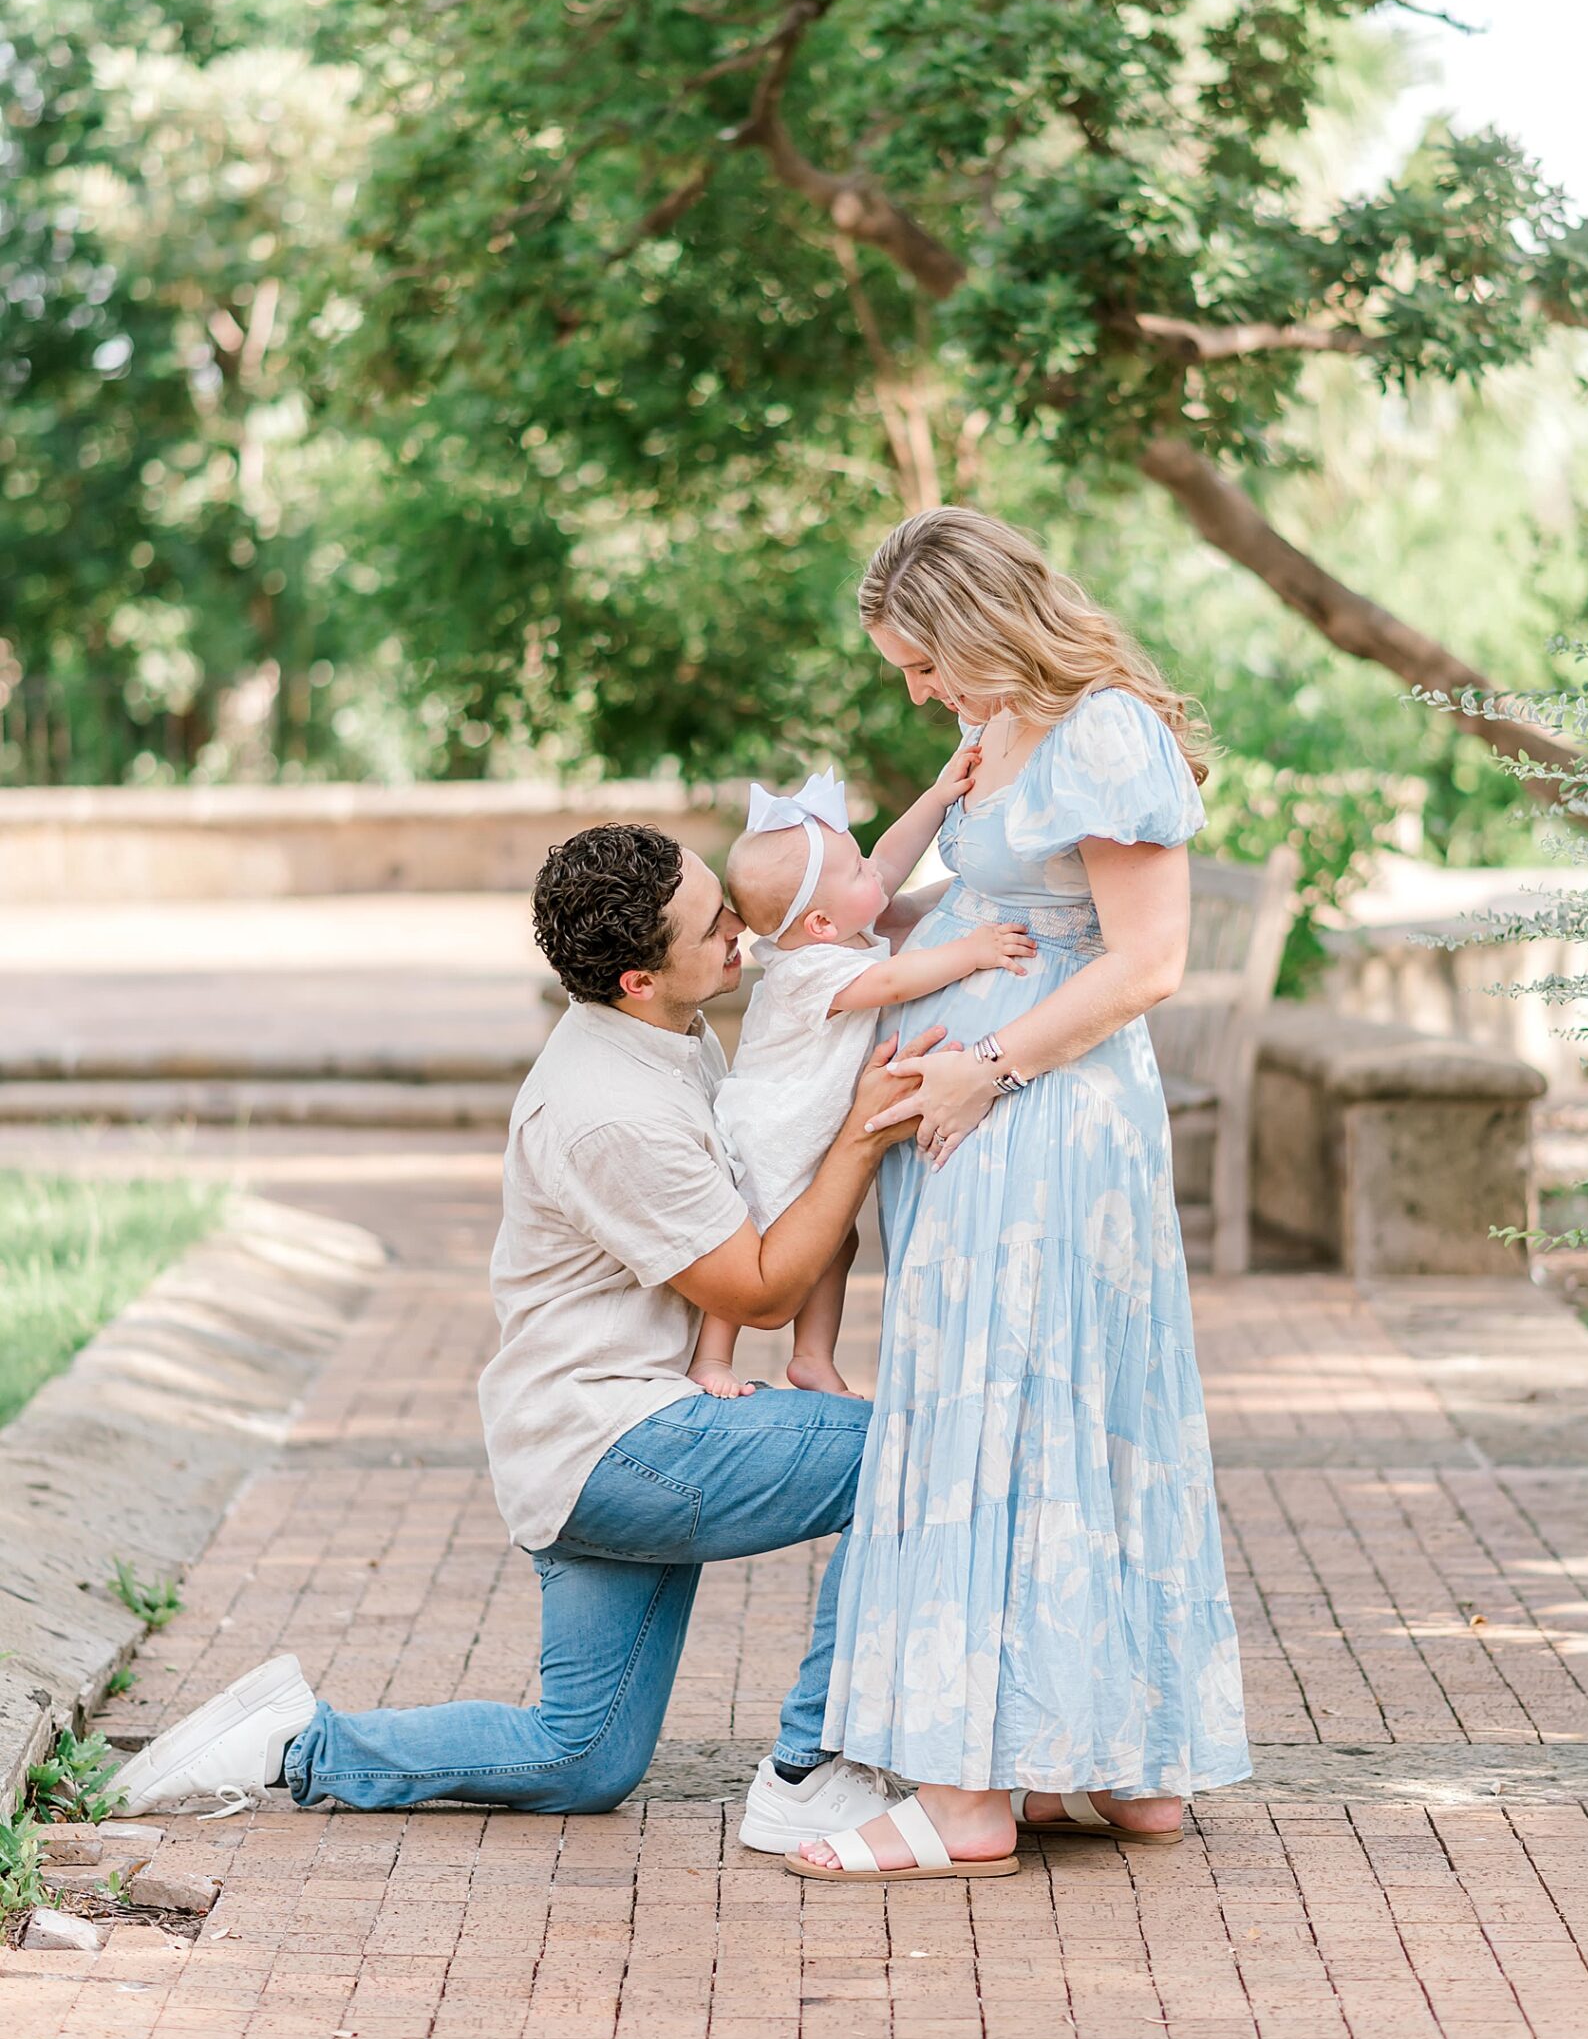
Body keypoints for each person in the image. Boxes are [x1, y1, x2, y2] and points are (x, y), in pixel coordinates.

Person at [110, 823, 932, 1855]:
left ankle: (293, 1741)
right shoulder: (610, 1111)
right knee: (909, 1450)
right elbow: (762, 1291)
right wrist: (862, 1131)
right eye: (712, 924)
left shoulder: (666, 1029)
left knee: (578, 1760)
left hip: (578, 1438)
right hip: (617, 1444)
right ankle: (813, 1770)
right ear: (638, 978)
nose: (740, 927)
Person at [789, 507, 1252, 1885]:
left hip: (1040, 1120)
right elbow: (950, 901)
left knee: (1005, 1411)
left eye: (923, 663)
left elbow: (1146, 961)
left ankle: (963, 1803)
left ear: (983, 629)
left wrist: (981, 1070)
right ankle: (1104, 1764)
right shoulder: (1000, 729)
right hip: (988, 1117)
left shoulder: (1102, 732)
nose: (917, 692)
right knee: (1047, 1409)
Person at [691, 759, 1034, 1399]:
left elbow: (889, 861)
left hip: (812, 1127)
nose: (872, 872)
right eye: (855, 871)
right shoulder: (804, 971)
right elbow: (892, 982)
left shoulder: (838, 928)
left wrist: (936, 797)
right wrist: (973, 951)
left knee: (833, 1242)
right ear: (820, 923)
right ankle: (712, 1357)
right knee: (750, 1238)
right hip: (773, 1128)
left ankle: (811, 1359)